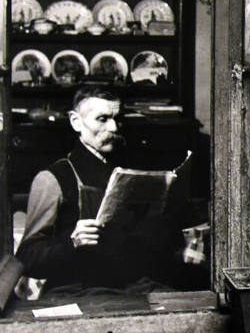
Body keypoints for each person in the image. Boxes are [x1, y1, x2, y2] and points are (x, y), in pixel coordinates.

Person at [16, 85, 193, 292]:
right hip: (80, 291)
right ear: (76, 122)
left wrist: (174, 243)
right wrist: (71, 243)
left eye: (117, 119)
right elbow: (27, 258)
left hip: (134, 286)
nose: (114, 128)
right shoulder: (53, 179)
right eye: (102, 119)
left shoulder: (129, 169)